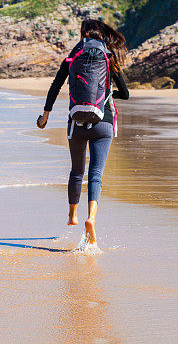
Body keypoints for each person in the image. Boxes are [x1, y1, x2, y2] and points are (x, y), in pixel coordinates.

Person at [36, 18, 130, 245]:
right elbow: (125, 94)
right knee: (95, 174)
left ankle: (73, 215)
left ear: (83, 34)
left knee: (77, 172)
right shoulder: (109, 58)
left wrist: (45, 117)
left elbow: (55, 87)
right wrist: (109, 96)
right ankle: (91, 218)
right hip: (103, 123)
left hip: (76, 122)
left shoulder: (72, 57)